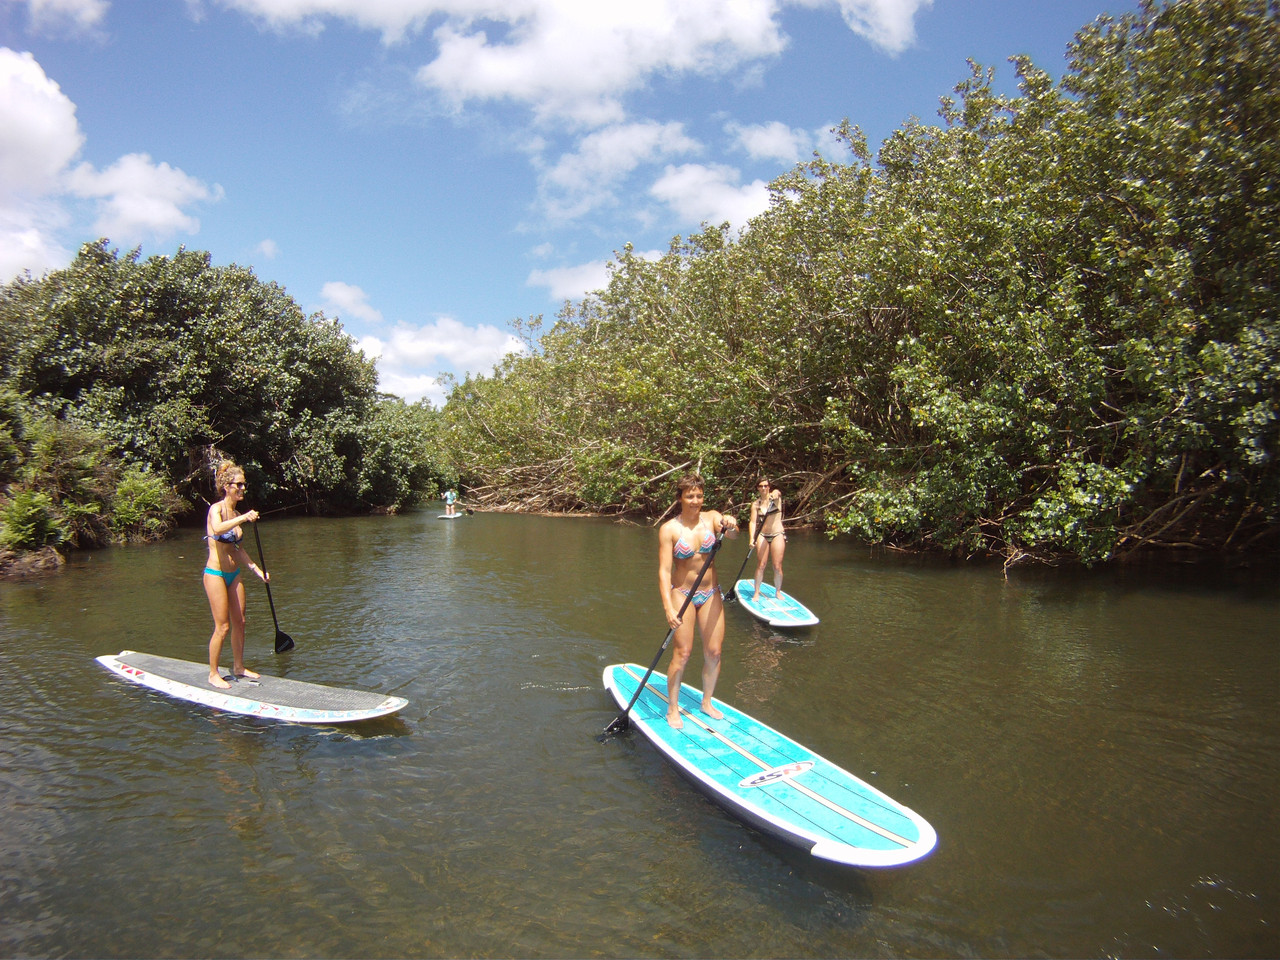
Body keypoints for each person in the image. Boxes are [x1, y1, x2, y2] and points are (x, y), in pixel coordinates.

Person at [658, 472, 739, 728]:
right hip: (682, 594)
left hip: (710, 593)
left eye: (699, 495)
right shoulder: (669, 529)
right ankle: (672, 708)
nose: (695, 500)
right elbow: (663, 571)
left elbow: (733, 533)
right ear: (680, 497)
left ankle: (706, 702)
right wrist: (668, 608)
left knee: (714, 652)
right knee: (682, 654)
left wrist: (732, 523)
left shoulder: (713, 518)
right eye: (690, 495)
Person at [203, 461, 270, 689]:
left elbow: (237, 549)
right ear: (227, 486)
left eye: (244, 485)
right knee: (223, 627)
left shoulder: (237, 513)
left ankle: (238, 667)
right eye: (238, 485)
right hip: (215, 574)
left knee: (240, 621)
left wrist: (258, 571)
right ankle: (213, 673)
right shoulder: (217, 510)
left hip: (234, 574)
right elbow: (218, 529)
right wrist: (243, 518)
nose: (242, 489)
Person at [748, 477, 786, 601]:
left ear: (769, 487)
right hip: (762, 535)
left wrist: (775, 493)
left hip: (777, 533)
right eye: (761, 486)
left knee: (777, 566)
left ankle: (778, 591)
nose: (764, 488)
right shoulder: (756, 504)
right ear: (758, 488)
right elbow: (753, 522)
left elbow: (777, 493)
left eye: (766, 485)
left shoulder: (776, 498)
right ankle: (756, 592)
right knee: (761, 564)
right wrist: (751, 539)